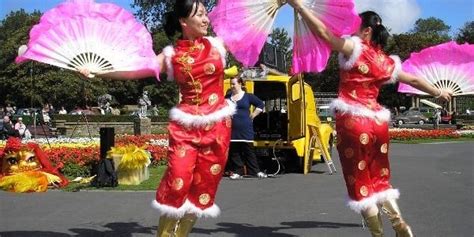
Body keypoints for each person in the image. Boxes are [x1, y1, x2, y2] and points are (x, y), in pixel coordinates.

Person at [287, 1, 452, 236]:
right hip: (378, 124)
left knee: (360, 183)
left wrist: (300, 7)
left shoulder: (355, 48)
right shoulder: (385, 61)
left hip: (354, 122)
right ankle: (399, 223)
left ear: (366, 31)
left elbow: (325, 35)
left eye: (355, 26)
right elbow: (413, 80)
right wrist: (438, 92)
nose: (350, 30)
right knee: (380, 179)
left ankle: (378, 234)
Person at [79, 1, 234, 236]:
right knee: (178, 179)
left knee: (204, 185)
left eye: (205, 14)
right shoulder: (172, 55)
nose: (206, 20)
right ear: (184, 21)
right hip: (186, 128)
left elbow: (248, 30)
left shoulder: (218, 45)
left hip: (218, 127)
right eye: (200, 15)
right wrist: (98, 72)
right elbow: (135, 70)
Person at [226, 77, 267, 179]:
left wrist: (253, 115)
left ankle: (255, 171)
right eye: (231, 84)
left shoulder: (248, 96)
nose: (232, 86)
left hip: (245, 128)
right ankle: (238, 172)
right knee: (234, 152)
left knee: (249, 151)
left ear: (240, 84)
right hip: (232, 129)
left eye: (234, 84)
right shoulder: (227, 97)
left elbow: (260, 104)